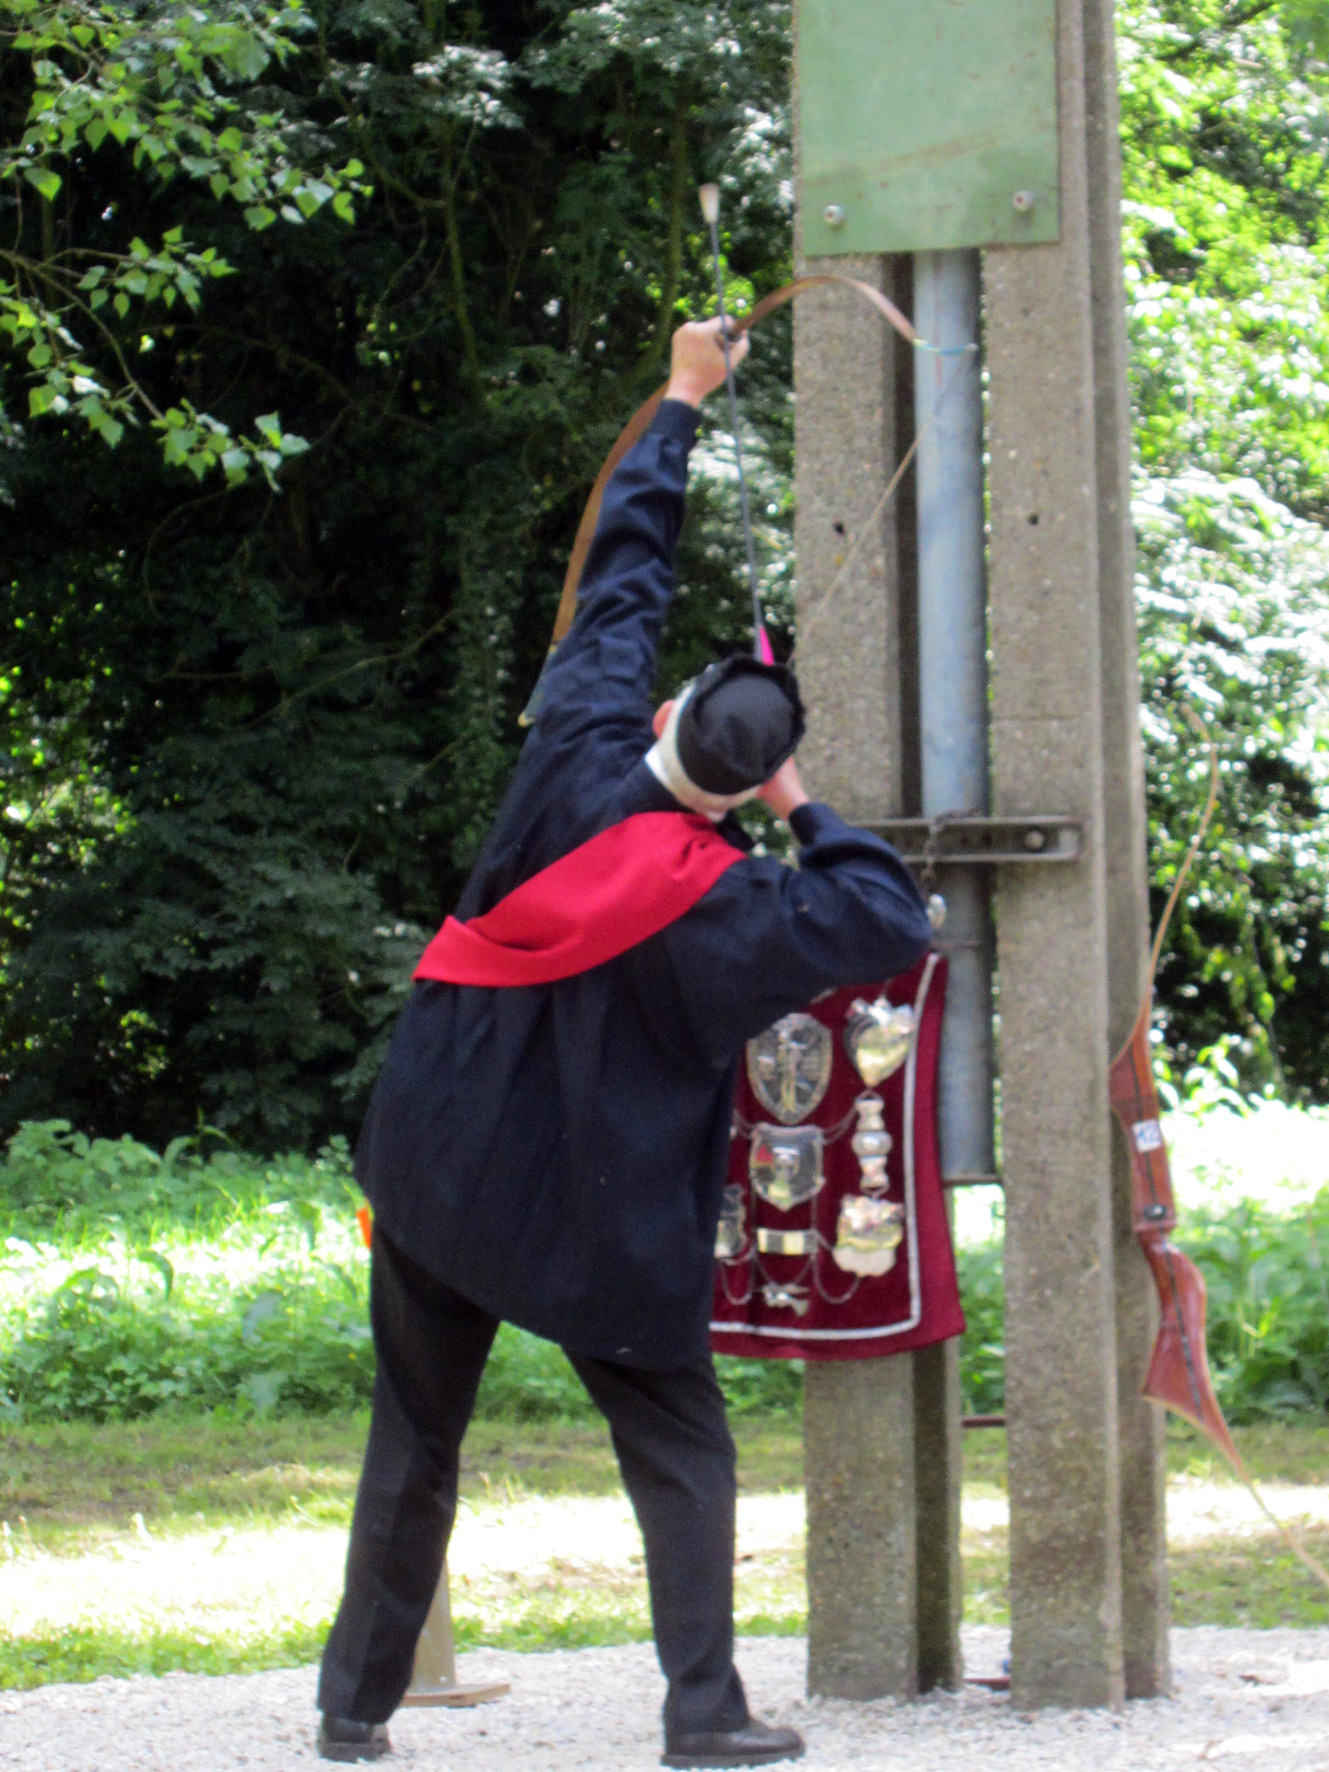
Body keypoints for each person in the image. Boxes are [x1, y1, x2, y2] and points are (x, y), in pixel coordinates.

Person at [316, 318, 933, 1768]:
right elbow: (887, 915)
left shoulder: (578, 735)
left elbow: (622, 572)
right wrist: (799, 802)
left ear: (666, 714)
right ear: (745, 788)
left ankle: (352, 1708)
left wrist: (681, 396)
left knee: (414, 1434)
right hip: (588, 1217)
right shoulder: (741, 905)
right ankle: (703, 1712)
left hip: (435, 1158)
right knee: (680, 1446)